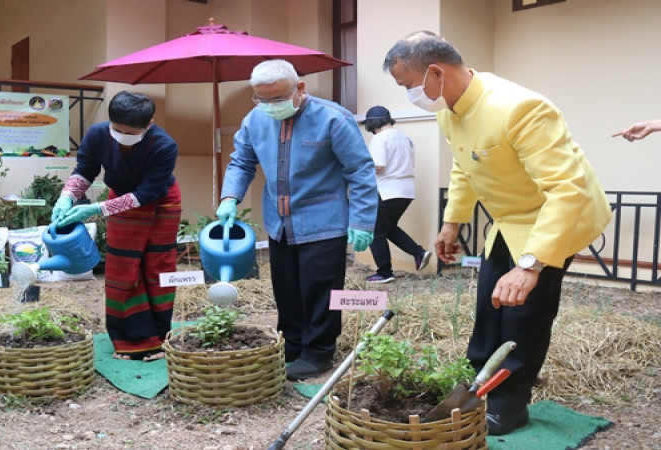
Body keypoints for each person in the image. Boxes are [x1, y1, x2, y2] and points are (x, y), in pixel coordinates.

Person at [382, 31, 611, 435]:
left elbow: (566, 190)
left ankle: (510, 403)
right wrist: (452, 222)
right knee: (491, 304)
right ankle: (478, 383)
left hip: (554, 217)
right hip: (509, 220)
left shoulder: (519, 108)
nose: (409, 96)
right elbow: (464, 167)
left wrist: (530, 264)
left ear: (436, 72)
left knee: (524, 313)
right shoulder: (448, 108)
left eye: (408, 86)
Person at [216, 59, 378, 380]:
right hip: (279, 222)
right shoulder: (254, 120)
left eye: (277, 99)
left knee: (319, 289)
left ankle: (319, 352)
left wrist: (362, 220)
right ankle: (291, 344)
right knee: (286, 288)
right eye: (262, 99)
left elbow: (360, 171)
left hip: (324, 221)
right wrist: (229, 198)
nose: (270, 106)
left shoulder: (333, 119)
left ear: (299, 88)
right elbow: (241, 162)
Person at [51, 91, 181, 362]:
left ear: (150, 124)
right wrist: (67, 197)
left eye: (130, 132)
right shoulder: (98, 134)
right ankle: (132, 340)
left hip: (160, 203)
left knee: (157, 266)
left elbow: (147, 193)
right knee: (124, 267)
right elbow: (85, 169)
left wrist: (96, 209)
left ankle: (158, 339)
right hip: (120, 200)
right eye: (117, 129)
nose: (122, 135)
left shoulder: (164, 145)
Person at [361, 105, 431, 284]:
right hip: (406, 191)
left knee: (374, 232)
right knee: (388, 228)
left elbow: (378, 165)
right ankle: (419, 253)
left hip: (387, 190)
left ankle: (384, 273)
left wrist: (357, 170)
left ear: (372, 123)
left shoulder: (380, 138)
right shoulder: (406, 138)